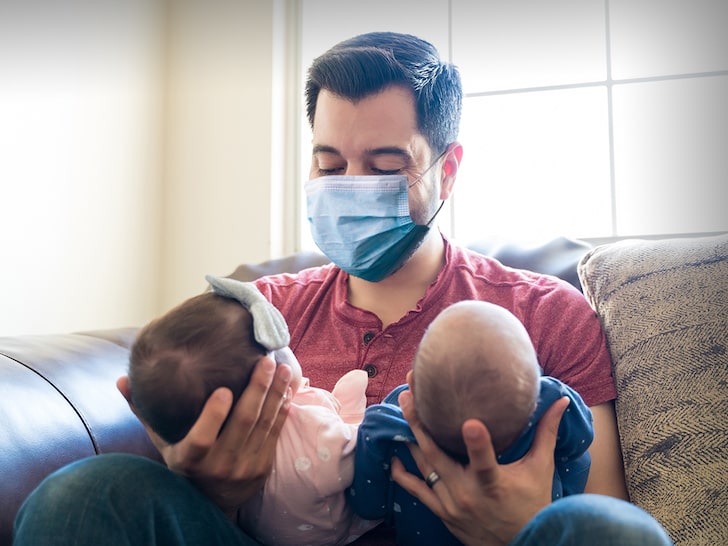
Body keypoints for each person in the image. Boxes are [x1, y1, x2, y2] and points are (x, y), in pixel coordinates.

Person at [14, 31, 672, 546]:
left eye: (386, 166)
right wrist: (207, 487)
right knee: (88, 495)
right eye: (329, 164)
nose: (350, 185)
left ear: (448, 170)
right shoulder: (256, 317)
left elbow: (606, 509)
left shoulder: (547, 314)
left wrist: (519, 527)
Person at [127, 275, 378, 545]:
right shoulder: (262, 302)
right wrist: (207, 495)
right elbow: (364, 453)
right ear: (271, 373)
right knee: (101, 478)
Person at [348, 300, 594, 544]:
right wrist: (549, 389)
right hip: (542, 527)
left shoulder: (387, 429)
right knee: (576, 458)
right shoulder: (551, 405)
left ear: (412, 387)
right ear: (536, 393)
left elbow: (368, 508)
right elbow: (584, 436)